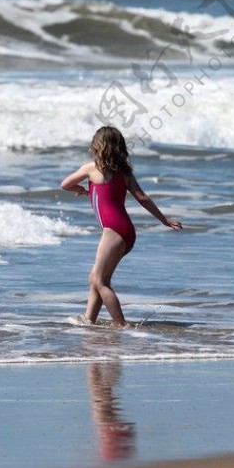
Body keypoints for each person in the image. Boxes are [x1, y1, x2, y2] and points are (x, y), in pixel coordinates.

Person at [60, 126, 182, 326]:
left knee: (98, 280)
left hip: (112, 231)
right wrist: (163, 219)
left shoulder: (90, 169)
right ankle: (89, 320)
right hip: (127, 232)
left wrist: (81, 189)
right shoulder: (125, 172)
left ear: (97, 146)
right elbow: (142, 197)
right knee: (98, 278)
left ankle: (121, 325)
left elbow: (65, 184)